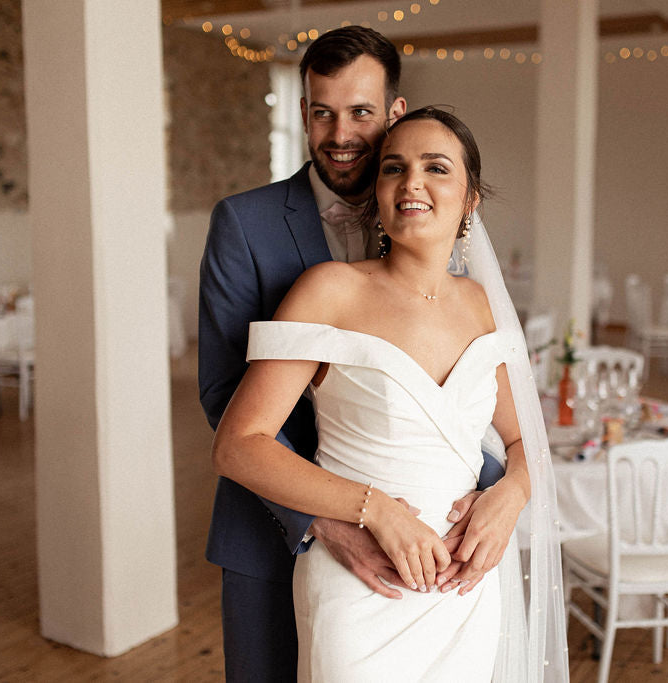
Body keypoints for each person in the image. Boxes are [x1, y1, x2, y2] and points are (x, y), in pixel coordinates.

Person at [213, 107, 567, 680]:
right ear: (376, 193)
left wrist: (511, 497)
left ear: (470, 197)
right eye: (393, 168)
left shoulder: (483, 305)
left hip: (464, 590)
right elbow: (238, 445)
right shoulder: (330, 291)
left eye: (436, 167)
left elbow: (526, 437)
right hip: (362, 588)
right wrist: (373, 508)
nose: (412, 184)